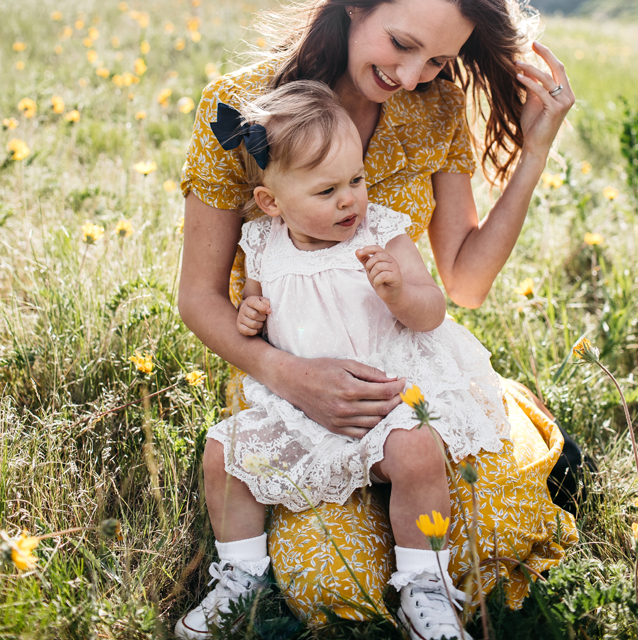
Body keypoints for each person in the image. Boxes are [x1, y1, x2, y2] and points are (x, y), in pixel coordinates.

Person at [177, 0, 578, 626]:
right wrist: (290, 375)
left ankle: (514, 427)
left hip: (403, 378)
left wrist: (533, 154)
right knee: (334, 584)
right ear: (356, 3)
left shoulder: (435, 108)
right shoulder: (241, 109)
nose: (411, 73)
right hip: (288, 380)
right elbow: (200, 296)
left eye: (437, 58)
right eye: (402, 43)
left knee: (491, 537)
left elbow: (466, 283)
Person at [176, 80, 513, 639]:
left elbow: (432, 310)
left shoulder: (381, 230)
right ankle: (241, 573)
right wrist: (250, 316)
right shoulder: (262, 242)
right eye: (327, 190)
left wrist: (399, 293)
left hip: (387, 393)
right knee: (224, 452)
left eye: (355, 180)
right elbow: (256, 307)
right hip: (302, 402)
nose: (349, 200)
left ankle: (422, 583)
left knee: (418, 451)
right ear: (271, 202)